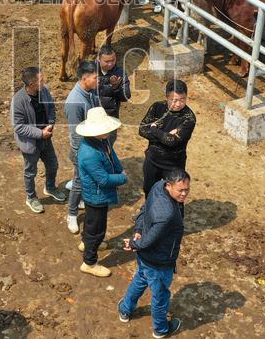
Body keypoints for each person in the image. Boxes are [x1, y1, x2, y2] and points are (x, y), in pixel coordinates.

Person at [119, 168, 189, 338]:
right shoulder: (167, 213)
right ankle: (160, 329)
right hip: (159, 263)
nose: (184, 194)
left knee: (140, 280)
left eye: (187, 189)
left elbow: (145, 209)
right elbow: (148, 240)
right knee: (160, 297)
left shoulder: (157, 186)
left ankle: (125, 309)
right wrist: (135, 243)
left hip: (145, 258)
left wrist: (138, 230)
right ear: (169, 185)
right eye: (180, 190)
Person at [76, 106, 126, 278]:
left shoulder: (101, 140)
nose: (108, 131)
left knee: (91, 223)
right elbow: (103, 180)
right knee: (97, 229)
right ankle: (89, 262)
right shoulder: (89, 154)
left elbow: (112, 156)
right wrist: (122, 178)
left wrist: (119, 169)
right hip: (96, 196)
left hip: (97, 194)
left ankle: (86, 242)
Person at [11, 67, 66, 214]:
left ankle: (50, 187)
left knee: (53, 165)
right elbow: (18, 126)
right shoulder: (18, 100)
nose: (44, 81)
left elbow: (51, 109)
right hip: (31, 143)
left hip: (46, 138)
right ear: (31, 84)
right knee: (30, 172)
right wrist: (40, 133)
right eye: (41, 80)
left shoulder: (44, 91)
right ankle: (31, 197)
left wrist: (51, 124)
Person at [139, 80, 196, 197]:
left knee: (175, 196)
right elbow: (142, 129)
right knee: (149, 191)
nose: (178, 104)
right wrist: (166, 136)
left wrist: (154, 129)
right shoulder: (157, 107)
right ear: (167, 98)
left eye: (182, 99)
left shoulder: (189, 118)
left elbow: (172, 142)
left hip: (173, 165)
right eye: (174, 100)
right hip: (152, 160)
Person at [64, 61, 100, 234]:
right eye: (95, 78)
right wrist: (83, 155)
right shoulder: (74, 102)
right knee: (79, 181)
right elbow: (76, 133)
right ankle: (71, 214)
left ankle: (80, 200)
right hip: (81, 149)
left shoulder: (91, 92)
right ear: (85, 79)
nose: (98, 80)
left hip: (91, 144)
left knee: (85, 179)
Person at [96, 45, 130, 138]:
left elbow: (126, 96)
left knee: (109, 142)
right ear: (99, 59)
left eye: (113, 60)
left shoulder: (120, 73)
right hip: (92, 118)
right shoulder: (91, 71)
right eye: (107, 61)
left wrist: (116, 87)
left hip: (110, 118)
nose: (110, 64)